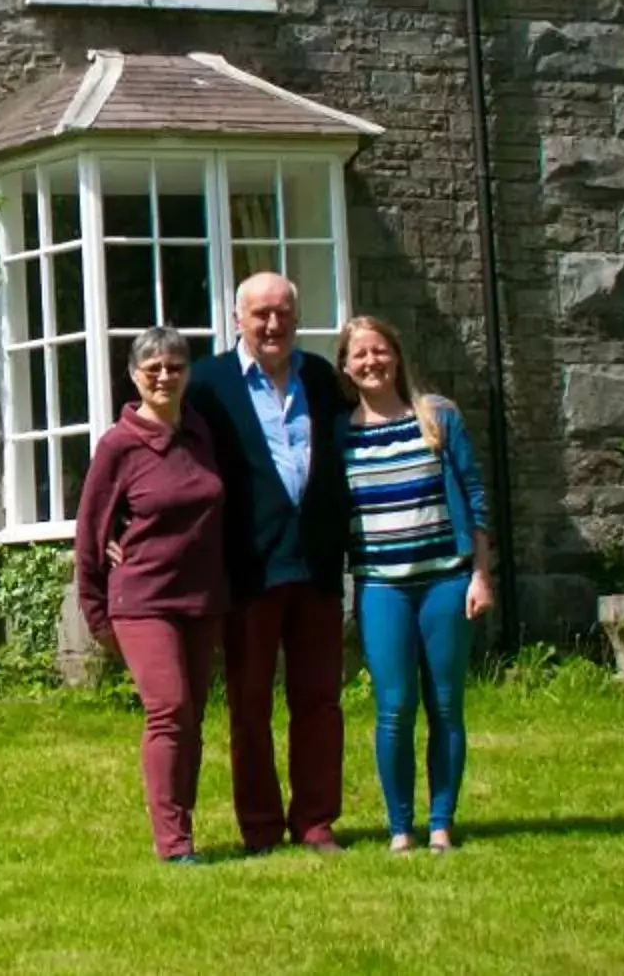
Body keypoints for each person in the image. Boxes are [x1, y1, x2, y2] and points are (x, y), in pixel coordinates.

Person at [184, 271, 352, 856]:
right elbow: (154, 446)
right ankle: (259, 827)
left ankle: (314, 821)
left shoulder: (324, 381)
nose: (273, 324)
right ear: (238, 320)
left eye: (283, 312)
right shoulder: (206, 384)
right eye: (260, 314)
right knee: (250, 706)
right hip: (248, 570)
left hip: (318, 567)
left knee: (320, 702)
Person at [73, 326, 230, 865]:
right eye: (153, 368)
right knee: (169, 709)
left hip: (202, 599)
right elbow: (90, 534)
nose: (165, 376)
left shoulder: (201, 433)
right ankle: (173, 844)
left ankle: (182, 824)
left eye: (176, 366)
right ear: (134, 375)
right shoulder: (118, 446)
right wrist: (96, 616)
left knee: (192, 719)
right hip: (142, 600)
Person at [337, 314, 494, 854]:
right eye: (360, 354)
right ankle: (400, 827)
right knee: (395, 706)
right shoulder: (341, 432)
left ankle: (441, 823)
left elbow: (475, 499)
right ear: (346, 366)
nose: (371, 362)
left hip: (446, 584)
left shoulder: (438, 418)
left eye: (379, 351)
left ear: (396, 356)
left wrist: (480, 574)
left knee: (446, 705)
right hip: (382, 588)